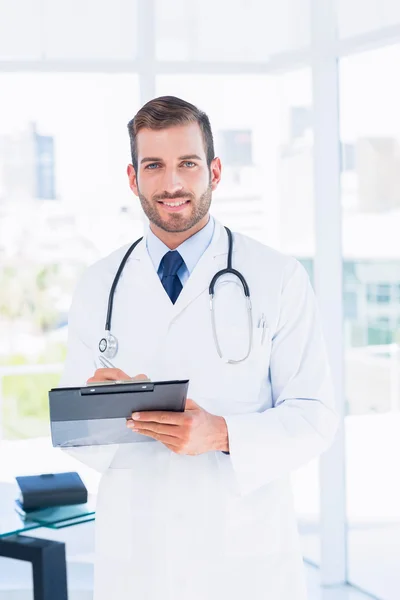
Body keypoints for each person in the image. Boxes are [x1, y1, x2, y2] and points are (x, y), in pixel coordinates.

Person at [60, 95, 338, 600]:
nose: (172, 184)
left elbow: (316, 416)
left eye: (187, 164)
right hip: (137, 555)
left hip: (243, 553)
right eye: (154, 166)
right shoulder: (99, 283)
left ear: (214, 171)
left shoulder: (277, 277)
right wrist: (104, 408)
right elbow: (76, 432)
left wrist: (222, 433)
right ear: (132, 177)